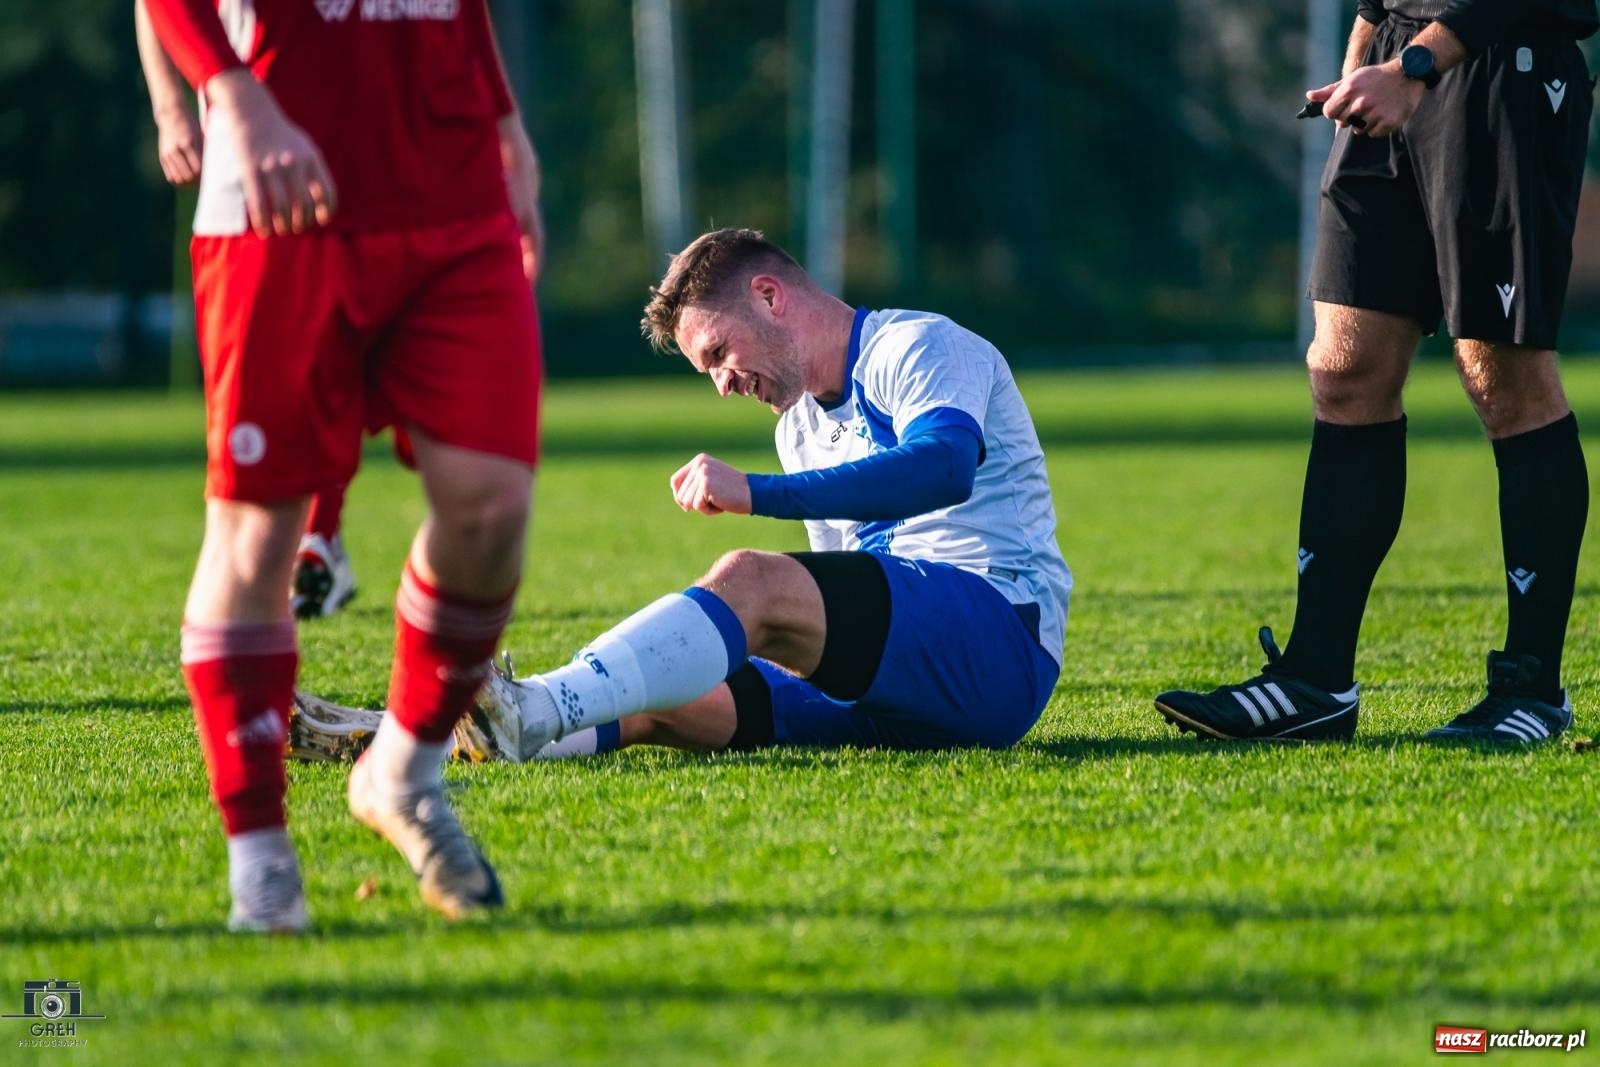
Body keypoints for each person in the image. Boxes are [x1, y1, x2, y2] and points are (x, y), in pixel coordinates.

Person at [292, 228, 1070, 765]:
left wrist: (755, 494)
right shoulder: (799, 428)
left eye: (719, 352)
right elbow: (842, 599)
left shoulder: (918, 345)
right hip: (898, 694)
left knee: (751, 578)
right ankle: (416, 738)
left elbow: (941, 468)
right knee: (662, 692)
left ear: (770, 295)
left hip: (1000, 646)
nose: (723, 383)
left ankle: (529, 709)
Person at [144, 0, 546, 931]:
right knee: (259, 534)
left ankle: (402, 773)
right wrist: (231, 94)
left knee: (490, 508)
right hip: (277, 191)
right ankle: (262, 863)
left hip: (452, 189)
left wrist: (506, 122)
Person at [1155, 1, 1596, 743]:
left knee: (1503, 378)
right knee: (1345, 369)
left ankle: (1533, 688)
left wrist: (1414, 66)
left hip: (1501, 59)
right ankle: (1315, 679)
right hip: (1390, 63)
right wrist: (1366, 56)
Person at [135, 0, 360, 621]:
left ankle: (321, 536)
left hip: (370, 175)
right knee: (264, 421)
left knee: (345, 377)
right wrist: (171, 109)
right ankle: (306, 548)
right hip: (248, 190)